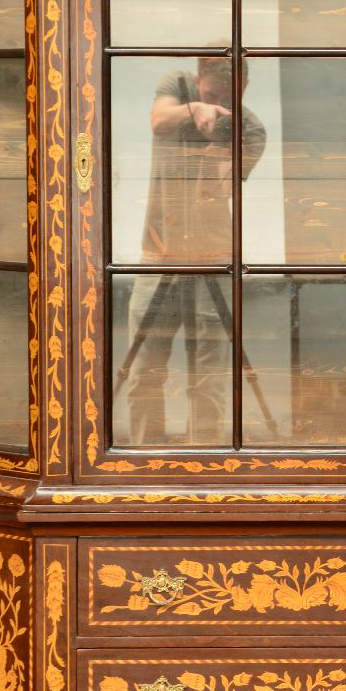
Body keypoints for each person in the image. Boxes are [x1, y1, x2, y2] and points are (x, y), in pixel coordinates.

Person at [124, 55, 266, 445]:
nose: (219, 103)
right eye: (211, 94)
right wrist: (196, 109)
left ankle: (201, 459)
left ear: (245, 88)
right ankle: (141, 457)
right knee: (146, 366)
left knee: (209, 372)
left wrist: (220, 145)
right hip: (159, 249)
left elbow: (217, 192)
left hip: (211, 254)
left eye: (228, 97)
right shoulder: (177, 87)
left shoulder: (249, 128)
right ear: (197, 78)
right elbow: (157, 121)